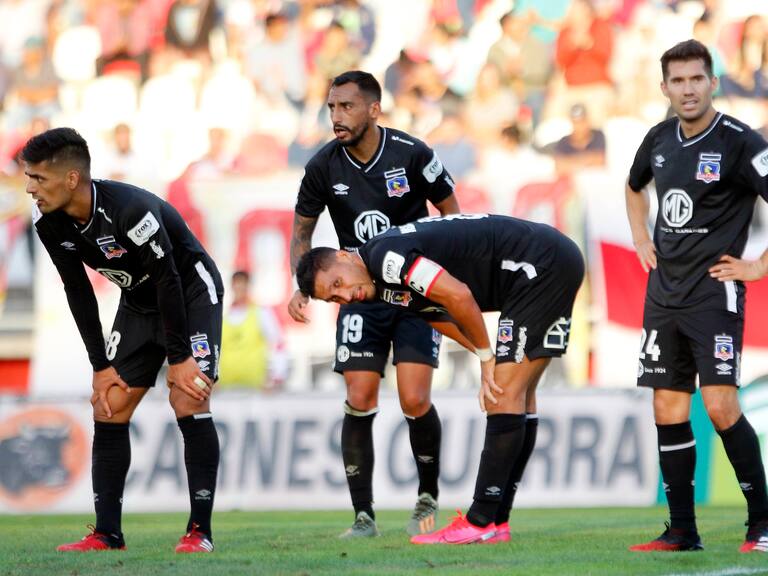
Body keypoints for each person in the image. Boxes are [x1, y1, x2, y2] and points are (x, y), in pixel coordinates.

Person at [296, 213, 584, 544]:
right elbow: (436, 313)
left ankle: (479, 522)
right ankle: (496, 523)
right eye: (333, 298)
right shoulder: (379, 282)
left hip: (538, 266)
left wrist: (488, 357)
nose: (345, 297)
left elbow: (458, 295)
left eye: (337, 283)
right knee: (518, 396)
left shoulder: (385, 258)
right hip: (547, 261)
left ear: (345, 256)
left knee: (502, 393)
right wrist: (480, 353)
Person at [23, 127, 223, 553]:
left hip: (189, 294)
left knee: (188, 396)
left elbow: (169, 278)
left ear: (71, 179)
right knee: (109, 404)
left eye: (38, 178)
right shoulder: (49, 222)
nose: (29, 188)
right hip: (138, 303)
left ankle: (199, 532)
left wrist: (180, 356)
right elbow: (76, 289)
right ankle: (107, 534)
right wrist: (101, 367)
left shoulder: (130, 209)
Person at [288, 70, 460, 538]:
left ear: (373, 109)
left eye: (346, 107)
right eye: (331, 107)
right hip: (360, 293)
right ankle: (363, 516)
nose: (336, 117)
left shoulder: (412, 153)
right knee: (359, 398)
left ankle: (427, 495)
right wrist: (301, 284)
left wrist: (441, 273)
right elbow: (302, 231)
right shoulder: (323, 166)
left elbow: (453, 214)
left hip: (413, 293)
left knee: (413, 398)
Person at [625, 39, 768, 553]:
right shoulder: (659, 138)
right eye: (677, 81)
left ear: (714, 82)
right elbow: (633, 185)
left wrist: (756, 266)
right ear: (664, 87)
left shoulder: (740, 141)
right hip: (663, 295)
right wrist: (641, 237)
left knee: (721, 404)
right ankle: (682, 530)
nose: (687, 89)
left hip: (714, 293)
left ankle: (763, 523)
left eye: (696, 79)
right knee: (667, 406)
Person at [218, 270, 288, 390]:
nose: (239, 289)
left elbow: (278, 344)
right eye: (236, 285)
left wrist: (277, 376)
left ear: (248, 286)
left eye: (242, 285)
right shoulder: (222, 315)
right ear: (231, 287)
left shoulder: (261, 313)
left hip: (256, 388)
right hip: (226, 388)